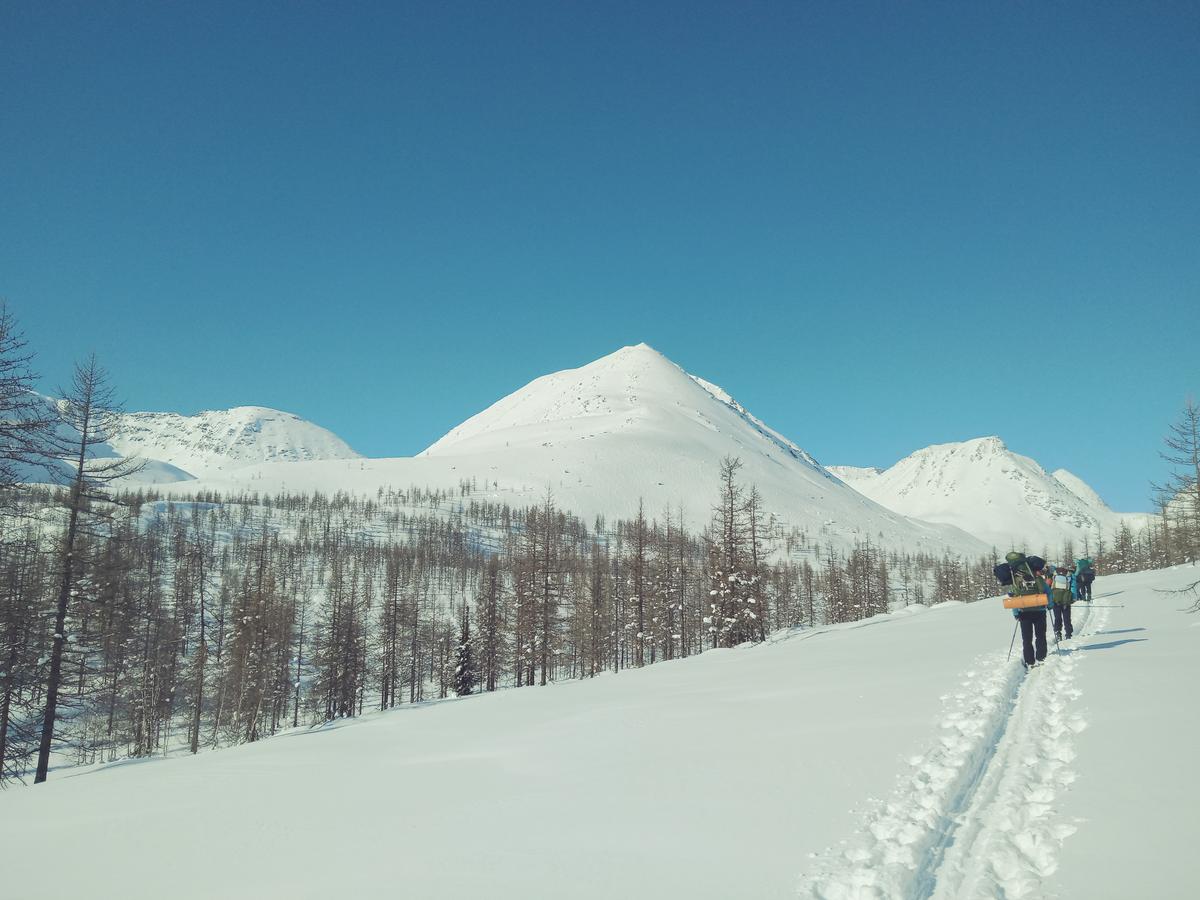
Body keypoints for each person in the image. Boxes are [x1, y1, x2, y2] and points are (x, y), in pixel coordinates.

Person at [1005, 553, 1048, 669]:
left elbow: (1014, 598)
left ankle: (1029, 661)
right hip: (1040, 610)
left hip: (1024, 612)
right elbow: (1047, 592)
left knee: (1027, 638)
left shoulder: (1015, 580)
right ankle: (1041, 657)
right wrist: (1050, 605)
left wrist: (1015, 613)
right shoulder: (1037, 578)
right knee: (1040, 635)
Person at [1049, 564, 1074, 641]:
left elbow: (1048, 588)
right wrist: (1073, 598)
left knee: (1057, 618)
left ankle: (1058, 632)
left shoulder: (1053, 577)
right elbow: (1073, 587)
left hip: (1055, 601)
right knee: (1067, 618)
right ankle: (1068, 634)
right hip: (1066, 601)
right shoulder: (1069, 577)